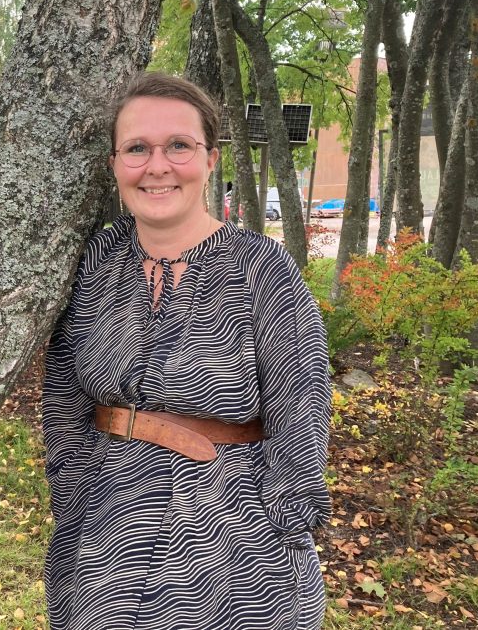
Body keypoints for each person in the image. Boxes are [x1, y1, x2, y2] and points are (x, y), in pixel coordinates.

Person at [42, 72, 331, 629]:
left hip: (238, 547)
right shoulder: (92, 263)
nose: (157, 165)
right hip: (106, 535)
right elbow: (64, 397)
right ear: (114, 165)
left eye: (178, 145)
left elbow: (303, 410)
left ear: (210, 158)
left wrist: (284, 525)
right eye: (137, 148)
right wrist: (72, 502)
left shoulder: (261, 269)